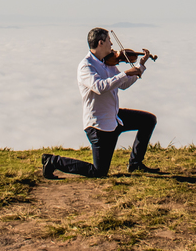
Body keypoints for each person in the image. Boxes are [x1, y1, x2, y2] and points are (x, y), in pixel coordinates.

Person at [41, 27, 160, 178]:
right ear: (101, 42)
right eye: (109, 41)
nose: (112, 45)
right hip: (99, 125)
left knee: (148, 120)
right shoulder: (86, 67)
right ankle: (52, 161)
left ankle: (135, 164)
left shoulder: (109, 63)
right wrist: (126, 73)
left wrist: (140, 67)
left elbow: (123, 84)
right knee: (99, 172)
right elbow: (100, 87)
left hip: (114, 117)